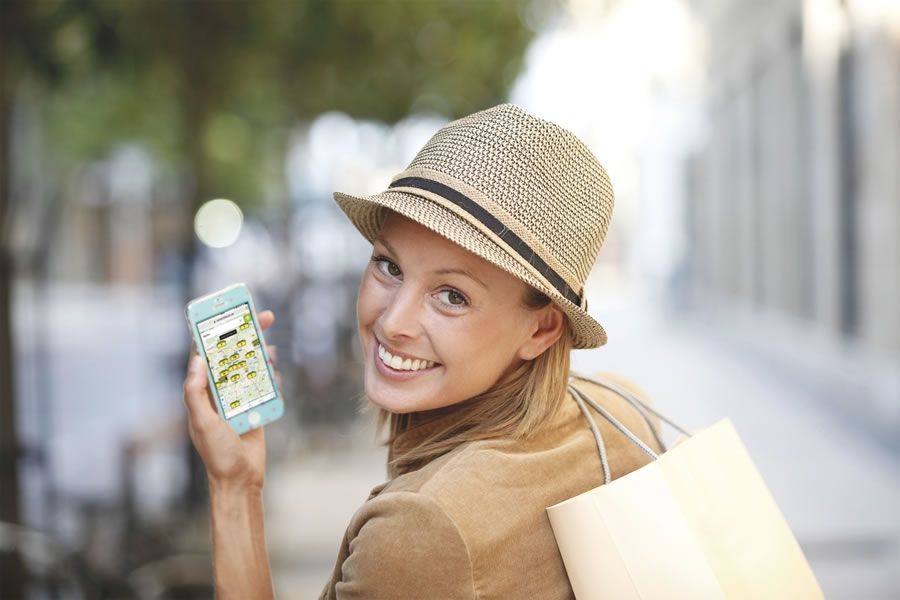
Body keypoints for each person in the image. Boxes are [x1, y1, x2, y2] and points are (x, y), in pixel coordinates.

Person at [182, 103, 665, 599]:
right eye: (389, 266)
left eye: (452, 296)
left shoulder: (420, 528)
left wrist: (234, 494)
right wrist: (237, 478)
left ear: (542, 329)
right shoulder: (621, 409)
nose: (392, 322)